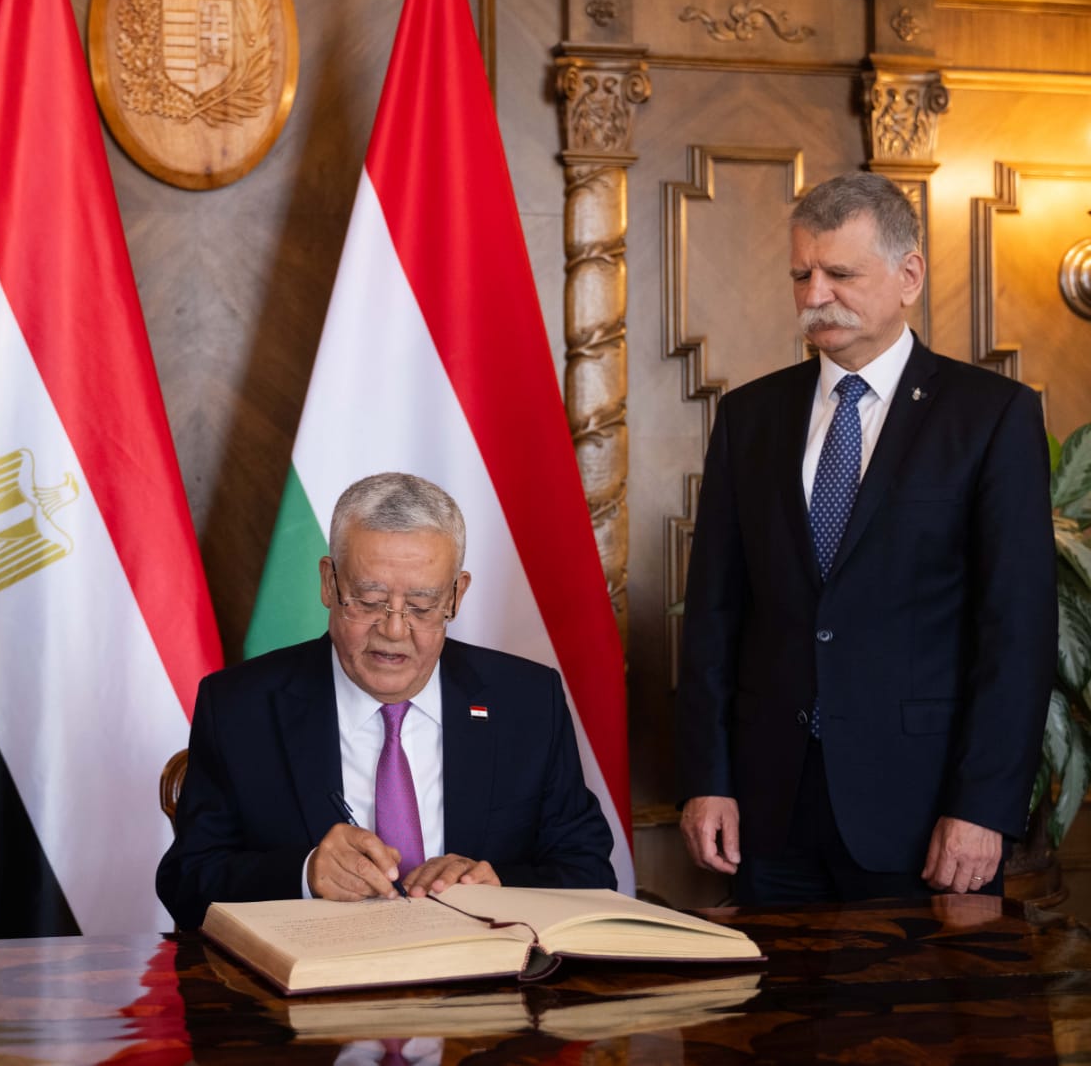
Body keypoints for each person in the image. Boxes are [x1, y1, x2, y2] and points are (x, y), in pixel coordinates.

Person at [676, 171, 1056, 904]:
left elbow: (1017, 632)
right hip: (767, 811)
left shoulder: (991, 415)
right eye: (801, 274)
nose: (815, 294)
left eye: (840, 274)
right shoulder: (750, 417)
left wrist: (983, 806)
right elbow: (714, 618)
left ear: (909, 275)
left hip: (924, 812)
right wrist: (707, 780)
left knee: (920, 986)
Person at [157, 472, 615, 930]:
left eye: (421, 605)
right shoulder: (240, 707)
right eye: (369, 600)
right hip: (316, 970)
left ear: (456, 595)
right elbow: (187, 882)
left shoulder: (528, 701)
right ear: (329, 583)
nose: (394, 630)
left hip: (484, 970)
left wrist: (498, 885)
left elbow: (590, 873)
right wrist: (305, 873)